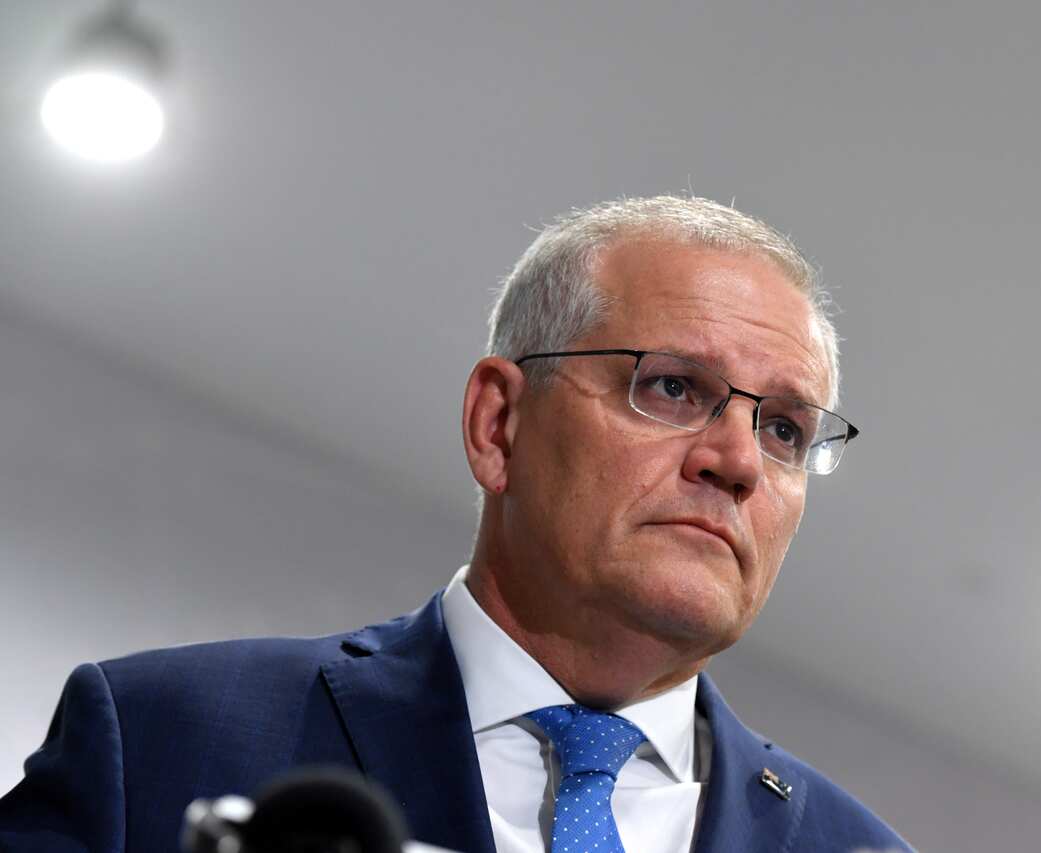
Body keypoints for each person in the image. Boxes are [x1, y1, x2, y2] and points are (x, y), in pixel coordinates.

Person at [0, 196, 909, 852]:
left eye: (784, 428)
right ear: (498, 423)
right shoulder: (166, 736)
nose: (739, 460)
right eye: (672, 386)